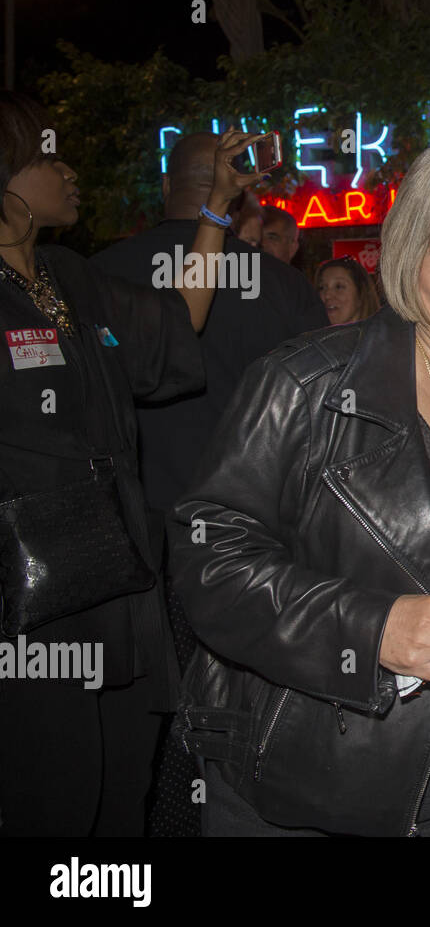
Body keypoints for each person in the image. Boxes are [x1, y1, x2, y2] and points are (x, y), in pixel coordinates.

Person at [167, 136, 430, 837]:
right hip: (329, 798)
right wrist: (372, 628)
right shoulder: (306, 382)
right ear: (406, 254)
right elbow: (208, 560)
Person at [0, 91, 259, 835]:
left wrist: (215, 213)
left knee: (126, 802)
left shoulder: (71, 278)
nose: (70, 169)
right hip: (31, 620)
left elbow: (179, 323)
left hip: (124, 596)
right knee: (53, 799)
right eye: (48, 156)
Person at [89, 131, 328, 835]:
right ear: (236, 191)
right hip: (254, 543)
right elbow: (319, 417)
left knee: (153, 718)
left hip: (138, 544)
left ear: (168, 184)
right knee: (243, 706)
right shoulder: (281, 283)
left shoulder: (99, 274)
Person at [315, 254, 380, 325]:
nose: (327, 295)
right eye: (322, 287)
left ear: (360, 294)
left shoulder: (383, 334)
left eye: (339, 287)